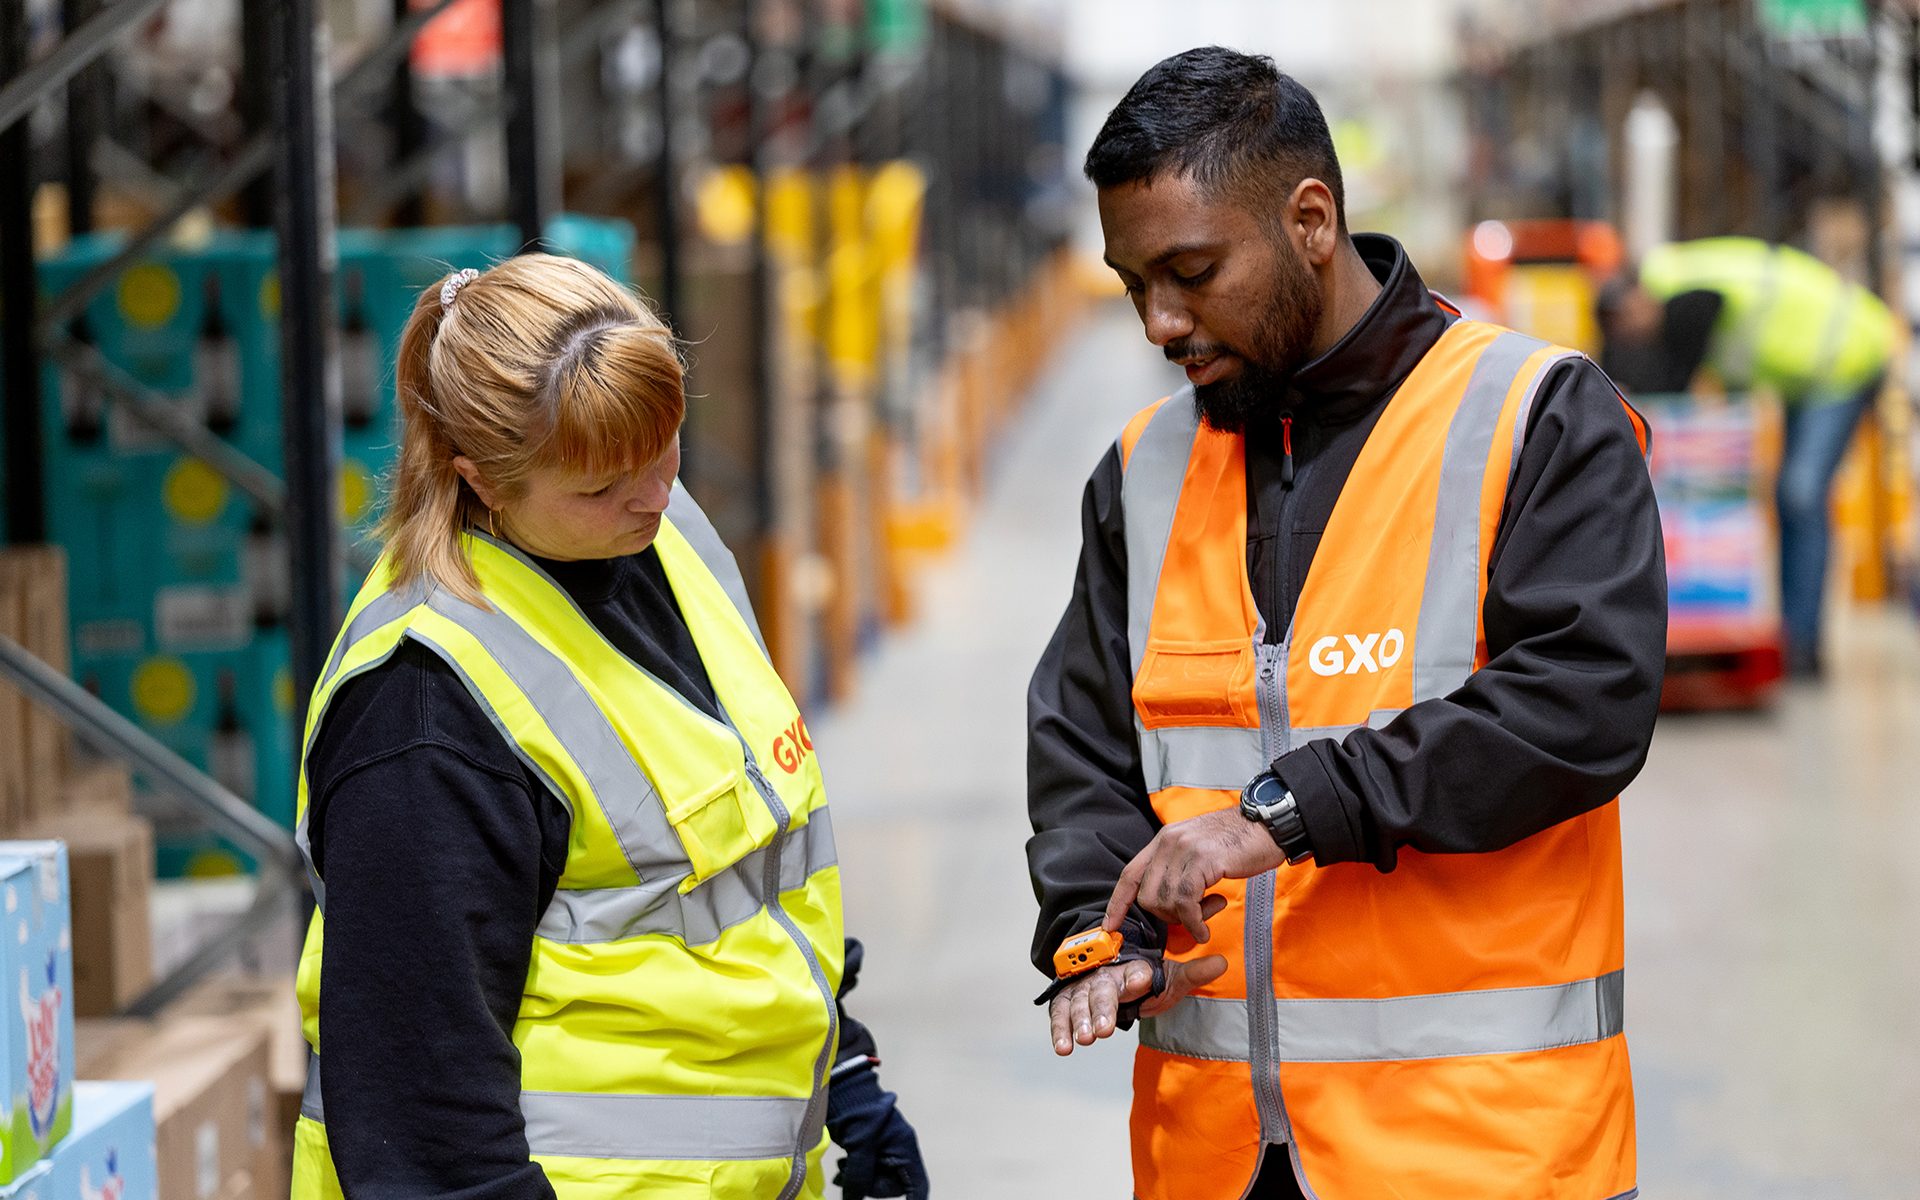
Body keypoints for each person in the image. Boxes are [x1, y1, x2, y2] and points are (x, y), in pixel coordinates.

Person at [1026, 48, 1666, 1200]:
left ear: (1310, 219)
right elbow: (1083, 743)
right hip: (1219, 1158)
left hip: (1480, 1149)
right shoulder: (1145, 470)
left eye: (1192, 271)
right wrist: (1098, 925)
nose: (1160, 322)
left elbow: (1581, 701)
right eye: (1134, 284)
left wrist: (1279, 818)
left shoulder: (1533, 417)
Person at [287, 254, 927, 1200]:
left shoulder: (672, 548)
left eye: (663, 448)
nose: (651, 496)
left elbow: (749, 881)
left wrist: (845, 1072)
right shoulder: (426, 711)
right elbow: (423, 1114)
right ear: (480, 480)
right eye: (597, 486)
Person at [1597, 235, 1897, 677]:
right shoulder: (1680, 281)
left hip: (1848, 353)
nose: (1636, 336)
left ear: (1635, 298)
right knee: (1787, 496)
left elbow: (1673, 379)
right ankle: (1794, 635)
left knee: (1801, 493)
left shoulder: (1679, 287)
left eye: (1628, 325)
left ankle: (1803, 648)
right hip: (1811, 371)